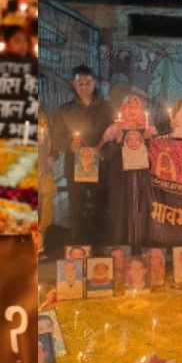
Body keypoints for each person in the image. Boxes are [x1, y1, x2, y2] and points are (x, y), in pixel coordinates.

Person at [51, 66, 113, 248]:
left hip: (101, 165)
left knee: (99, 206)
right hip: (74, 166)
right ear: (74, 85)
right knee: (76, 208)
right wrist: (69, 145)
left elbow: (114, 134)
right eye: (80, 84)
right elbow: (56, 138)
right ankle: (77, 249)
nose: (84, 87)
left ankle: (99, 248)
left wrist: (104, 151)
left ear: (95, 83)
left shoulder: (107, 108)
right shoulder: (65, 111)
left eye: (88, 83)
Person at [99, 94, 155, 250]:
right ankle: (122, 247)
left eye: (136, 107)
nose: (133, 110)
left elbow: (159, 152)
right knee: (120, 209)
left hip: (143, 176)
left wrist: (149, 139)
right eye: (129, 106)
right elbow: (102, 152)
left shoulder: (148, 126)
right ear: (123, 109)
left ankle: (142, 245)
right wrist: (116, 142)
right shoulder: (115, 127)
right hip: (120, 177)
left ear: (141, 109)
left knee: (143, 207)